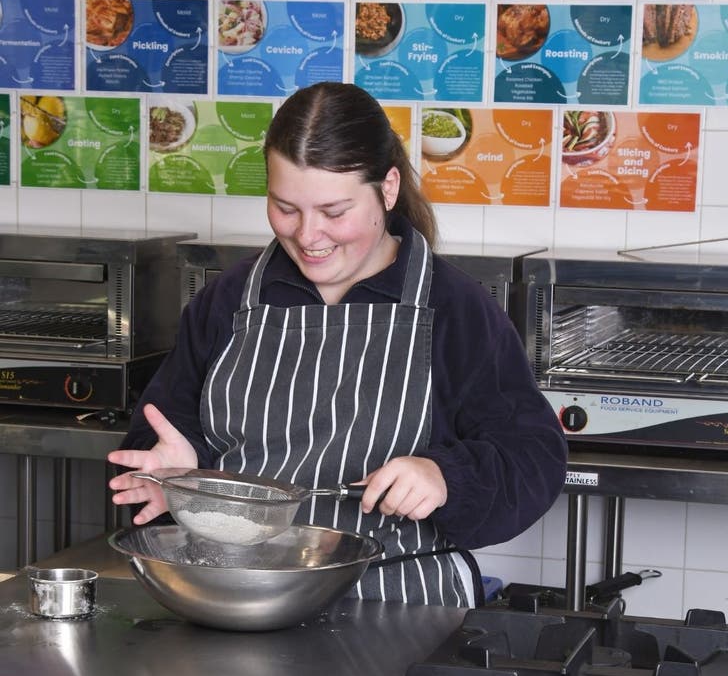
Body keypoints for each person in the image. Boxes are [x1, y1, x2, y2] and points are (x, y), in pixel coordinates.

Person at [108, 81, 567, 607]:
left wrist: (446, 477)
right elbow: (156, 440)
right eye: (286, 208)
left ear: (387, 189)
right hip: (238, 599)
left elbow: (532, 459)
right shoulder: (229, 301)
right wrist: (174, 475)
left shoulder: (455, 308)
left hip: (399, 604)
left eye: (333, 212)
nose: (308, 236)